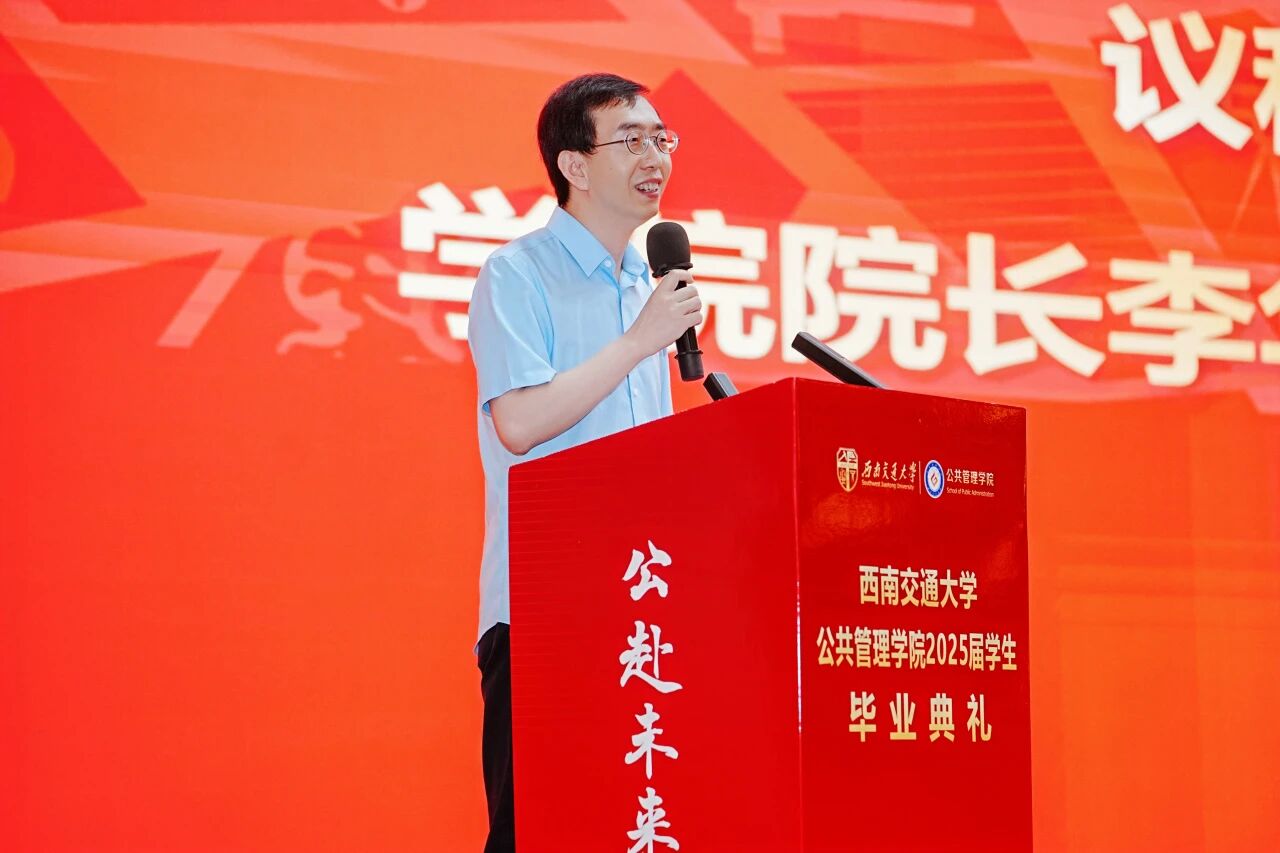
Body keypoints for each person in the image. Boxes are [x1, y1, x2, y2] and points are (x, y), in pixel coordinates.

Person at [465, 73, 700, 853]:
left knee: (629, 830)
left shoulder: (646, 284)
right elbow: (520, 421)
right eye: (631, 140)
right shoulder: (517, 273)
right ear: (574, 164)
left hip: (640, 614)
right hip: (545, 612)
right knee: (539, 833)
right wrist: (638, 342)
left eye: (661, 138)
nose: (655, 157)